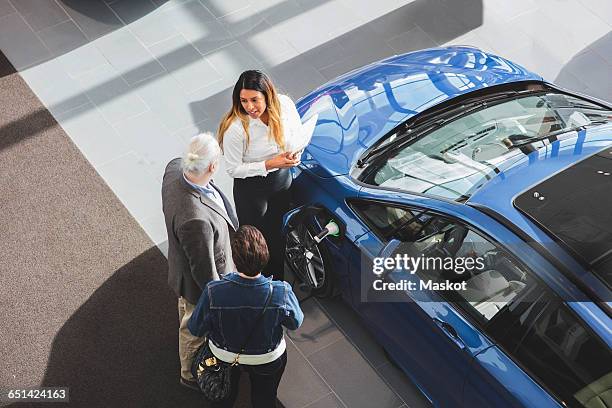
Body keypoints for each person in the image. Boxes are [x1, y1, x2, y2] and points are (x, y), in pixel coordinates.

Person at [189, 225, 304, 408]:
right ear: (265, 256)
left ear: (234, 259)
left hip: (223, 356)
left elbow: (195, 328)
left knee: (222, 399)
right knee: (264, 400)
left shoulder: (214, 291)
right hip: (267, 358)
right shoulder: (281, 291)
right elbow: (295, 322)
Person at [162, 132, 239, 390]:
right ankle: (189, 373)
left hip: (180, 264)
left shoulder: (174, 169)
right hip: (195, 282)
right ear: (212, 166)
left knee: (185, 311)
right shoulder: (196, 220)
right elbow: (204, 270)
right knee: (193, 327)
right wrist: (219, 299)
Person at [218, 70, 303, 280]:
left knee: (278, 235)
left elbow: (298, 133)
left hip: (281, 180)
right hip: (251, 190)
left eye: (254, 100)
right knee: (256, 243)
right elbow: (233, 169)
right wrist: (270, 163)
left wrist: (297, 152)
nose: (249, 107)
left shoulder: (284, 105)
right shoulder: (236, 128)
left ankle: (279, 281)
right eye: (244, 100)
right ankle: (258, 283)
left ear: (268, 95)